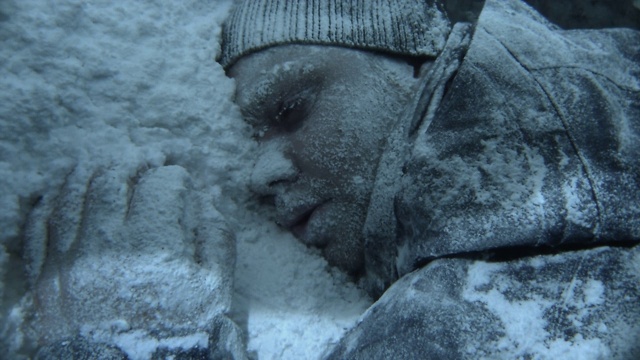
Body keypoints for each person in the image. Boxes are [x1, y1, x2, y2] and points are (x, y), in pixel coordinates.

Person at [220, 0, 640, 358]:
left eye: (291, 110)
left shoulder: (453, 319)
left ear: (418, 64)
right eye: (248, 145)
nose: (261, 175)